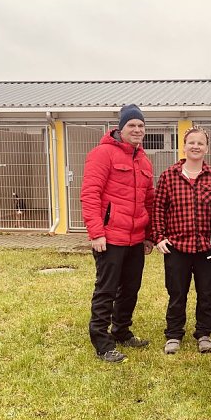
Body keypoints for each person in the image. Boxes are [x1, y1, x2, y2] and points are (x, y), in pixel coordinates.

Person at [80, 104, 154, 362]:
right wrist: (96, 233)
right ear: (120, 128)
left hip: (135, 238)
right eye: (131, 125)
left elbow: (149, 200)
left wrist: (149, 234)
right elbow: (90, 194)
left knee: (130, 289)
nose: (137, 129)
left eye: (141, 126)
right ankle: (102, 342)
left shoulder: (144, 159)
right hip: (110, 238)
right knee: (106, 290)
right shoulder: (102, 154)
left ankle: (121, 330)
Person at [152, 126, 211, 354]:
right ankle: (174, 334)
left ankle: (204, 333)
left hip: (208, 248)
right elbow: (158, 209)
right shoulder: (169, 175)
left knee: (207, 293)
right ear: (183, 147)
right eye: (191, 142)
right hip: (177, 247)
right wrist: (158, 238)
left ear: (207, 148)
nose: (196, 146)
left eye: (200, 143)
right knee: (177, 293)